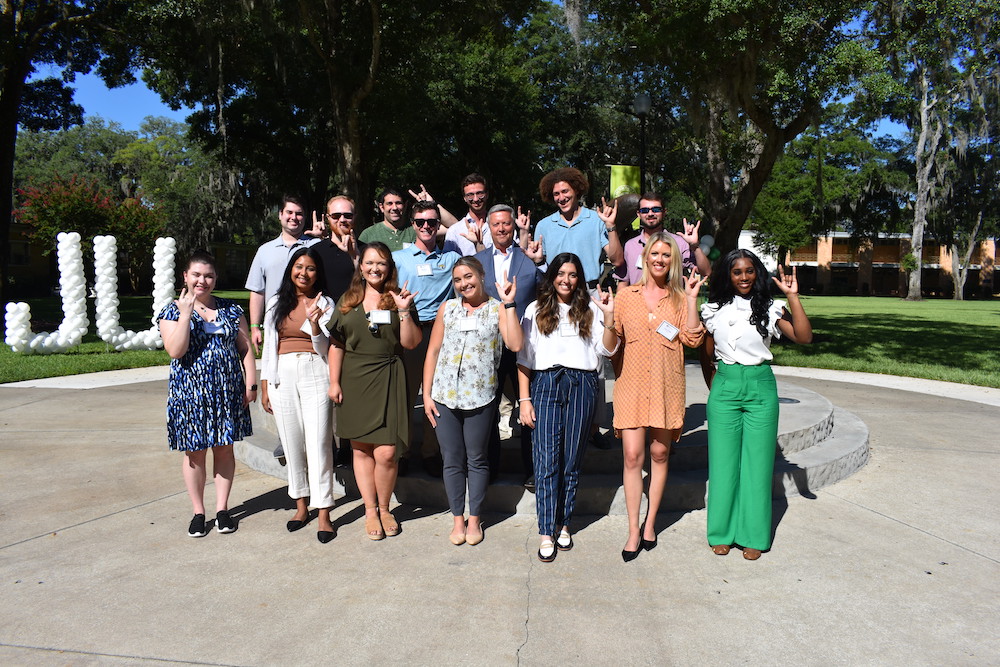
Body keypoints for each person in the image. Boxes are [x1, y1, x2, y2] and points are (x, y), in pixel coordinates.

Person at [700, 249, 812, 560]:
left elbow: (803, 337)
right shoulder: (712, 310)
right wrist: (718, 386)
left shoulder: (770, 308)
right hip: (725, 386)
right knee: (722, 465)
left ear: (757, 273)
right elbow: (706, 354)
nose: (744, 277)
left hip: (761, 387)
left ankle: (753, 534)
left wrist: (793, 297)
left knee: (758, 466)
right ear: (728, 275)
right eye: (737, 272)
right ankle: (721, 532)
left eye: (750, 271)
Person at [608, 232, 706, 562]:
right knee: (634, 457)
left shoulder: (679, 299)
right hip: (631, 386)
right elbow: (611, 344)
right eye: (655, 254)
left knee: (660, 454)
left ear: (673, 260)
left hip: (666, 387)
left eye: (667, 255)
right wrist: (608, 319)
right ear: (645, 257)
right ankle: (633, 528)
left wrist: (692, 300)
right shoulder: (625, 296)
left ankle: (651, 523)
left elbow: (692, 339)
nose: (660, 259)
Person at [517, 253, 619, 563]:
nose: (566, 279)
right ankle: (546, 530)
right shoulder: (536, 310)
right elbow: (524, 359)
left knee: (571, 460)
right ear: (552, 276)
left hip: (582, 384)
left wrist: (610, 318)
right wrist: (524, 400)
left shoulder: (589, 308)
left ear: (579, 278)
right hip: (546, 383)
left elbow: (608, 349)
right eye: (561, 273)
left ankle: (564, 523)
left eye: (573, 274)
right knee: (547, 460)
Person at [422, 258, 522, 545]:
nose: (464, 284)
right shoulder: (448, 308)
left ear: (481, 275)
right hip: (444, 398)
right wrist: (427, 394)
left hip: (480, 398)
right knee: (452, 460)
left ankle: (475, 518)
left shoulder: (497, 309)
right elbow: (433, 351)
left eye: (469, 277)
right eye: (457, 280)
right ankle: (457, 519)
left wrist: (509, 304)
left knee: (477, 459)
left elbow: (515, 344)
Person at [157, 251, 256, 538]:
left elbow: (245, 347)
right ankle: (199, 512)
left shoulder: (231, 309)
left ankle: (223, 509)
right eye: (197, 275)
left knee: (224, 448)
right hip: (190, 393)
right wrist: (187, 314)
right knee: (194, 453)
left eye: (209, 275)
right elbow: (176, 350)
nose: (203, 281)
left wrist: (250, 382)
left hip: (227, 391)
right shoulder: (171, 311)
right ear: (185, 277)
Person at [328, 242, 421, 540]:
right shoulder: (348, 299)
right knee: (360, 449)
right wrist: (334, 382)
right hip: (354, 378)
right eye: (369, 263)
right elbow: (337, 344)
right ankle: (370, 511)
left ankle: (385, 507)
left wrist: (405, 311)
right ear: (360, 266)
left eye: (381, 263)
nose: (374, 268)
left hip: (390, 376)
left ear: (389, 267)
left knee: (387, 452)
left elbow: (410, 343)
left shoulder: (398, 298)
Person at [259, 247, 337, 543]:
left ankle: (324, 512)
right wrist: (266, 383)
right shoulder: (277, 302)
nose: (303, 273)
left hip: (315, 370)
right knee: (291, 443)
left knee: (318, 443)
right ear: (291, 269)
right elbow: (269, 345)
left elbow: (326, 348)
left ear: (318, 274)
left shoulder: (325, 302)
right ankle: (300, 505)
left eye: (310, 268)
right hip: (282, 375)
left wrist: (315, 325)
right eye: (299, 267)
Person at [474, 204, 544, 488]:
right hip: (488, 347)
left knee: (529, 408)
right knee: (487, 409)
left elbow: (545, 291)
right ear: (488, 228)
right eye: (496, 225)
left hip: (523, 344)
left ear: (513, 226)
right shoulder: (476, 261)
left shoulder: (529, 259)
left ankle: (533, 469)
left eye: (506, 224)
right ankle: (488, 469)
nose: (501, 229)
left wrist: (540, 264)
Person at [392, 201, 462, 477]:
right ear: (413, 225)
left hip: (441, 332)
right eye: (420, 222)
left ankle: (432, 452)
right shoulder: (399, 258)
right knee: (406, 394)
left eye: (431, 222)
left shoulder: (451, 259)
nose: (426, 227)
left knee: (437, 395)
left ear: (438, 226)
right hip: (410, 327)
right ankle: (404, 452)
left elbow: (460, 228)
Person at [312, 195, 363, 468]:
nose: (343, 220)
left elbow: (372, 289)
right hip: (326, 334)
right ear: (327, 219)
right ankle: (331, 449)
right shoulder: (316, 252)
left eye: (348, 215)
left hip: (360, 334)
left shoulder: (365, 250)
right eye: (336, 216)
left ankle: (350, 447)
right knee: (329, 393)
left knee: (353, 393)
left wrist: (355, 257)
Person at [246, 195, 320, 355]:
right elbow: (257, 290)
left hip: (310, 323)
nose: (294, 217)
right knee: (272, 374)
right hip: (275, 325)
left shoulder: (317, 247)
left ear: (305, 217)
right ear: (280, 214)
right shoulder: (264, 251)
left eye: (299, 213)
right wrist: (255, 327)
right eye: (289, 212)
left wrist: (324, 238)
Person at [530, 167, 624, 286]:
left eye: (565, 191)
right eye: (556, 194)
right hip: (557, 293)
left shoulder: (597, 220)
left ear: (576, 190)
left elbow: (617, 261)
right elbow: (539, 266)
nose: (561, 198)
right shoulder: (543, 226)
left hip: (590, 292)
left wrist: (610, 226)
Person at [615, 192, 712, 285]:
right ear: (638, 214)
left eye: (656, 210)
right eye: (645, 210)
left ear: (664, 212)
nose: (650, 214)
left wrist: (695, 246)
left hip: (671, 301)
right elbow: (623, 281)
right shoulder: (630, 245)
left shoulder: (679, 243)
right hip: (636, 301)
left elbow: (706, 272)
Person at [442, 173, 492, 256]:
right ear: (464, 198)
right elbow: (448, 264)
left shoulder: (500, 226)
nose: (475, 199)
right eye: (470, 195)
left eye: (480, 193)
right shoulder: (455, 231)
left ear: (487, 195)